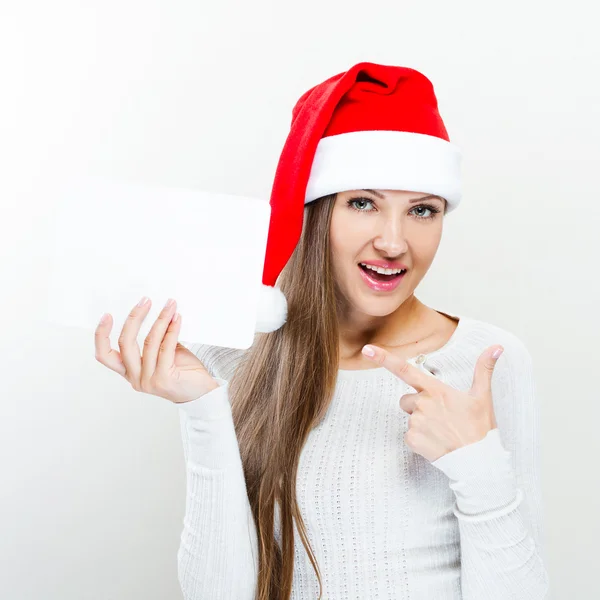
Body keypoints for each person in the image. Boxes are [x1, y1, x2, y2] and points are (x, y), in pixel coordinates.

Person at [103, 62, 550, 599]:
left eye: (423, 210)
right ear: (317, 212)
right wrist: (203, 408)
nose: (393, 241)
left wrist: (479, 469)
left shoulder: (484, 362)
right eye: (363, 203)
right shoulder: (236, 357)